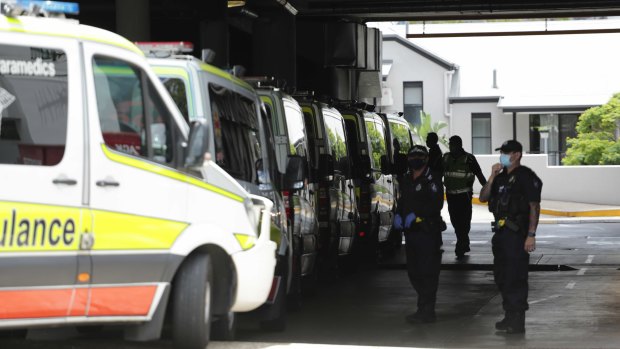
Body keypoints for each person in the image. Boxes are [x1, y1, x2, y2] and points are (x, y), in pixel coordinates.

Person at [479, 140, 542, 334]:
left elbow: (534, 206)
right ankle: (509, 315)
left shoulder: (526, 176)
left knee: (516, 277)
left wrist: (531, 234)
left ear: (517, 155)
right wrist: (491, 177)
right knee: (502, 276)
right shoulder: (499, 178)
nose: (503, 156)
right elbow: (483, 197)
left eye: (506, 152)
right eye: (502, 152)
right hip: (501, 234)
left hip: (517, 234)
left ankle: (517, 321)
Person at [394, 145, 444, 324]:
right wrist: (398, 214)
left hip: (427, 232)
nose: (415, 158)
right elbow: (403, 200)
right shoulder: (407, 178)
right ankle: (423, 306)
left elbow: (436, 204)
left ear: (426, 158)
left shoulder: (433, 178)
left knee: (428, 272)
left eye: (419, 156)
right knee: (413, 272)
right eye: (412, 155)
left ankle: (427, 310)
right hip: (411, 234)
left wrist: (418, 215)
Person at [442, 135, 487, 259]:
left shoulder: (469, 159)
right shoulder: (446, 158)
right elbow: (438, 173)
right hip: (451, 195)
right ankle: (463, 242)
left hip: (464, 195)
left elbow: (479, 175)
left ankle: (461, 244)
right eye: (450, 144)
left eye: (452, 144)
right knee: (455, 221)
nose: (450, 146)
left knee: (464, 222)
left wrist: (489, 190)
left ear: (458, 145)